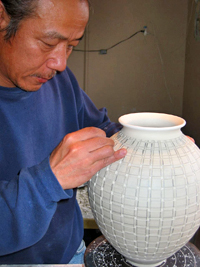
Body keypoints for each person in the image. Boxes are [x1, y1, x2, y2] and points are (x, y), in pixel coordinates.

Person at [0, 0, 127, 264]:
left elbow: (102, 130)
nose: (60, 63)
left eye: (71, 46)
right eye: (48, 43)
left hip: (70, 254)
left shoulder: (58, 79)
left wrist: (145, 140)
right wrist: (50, 180)